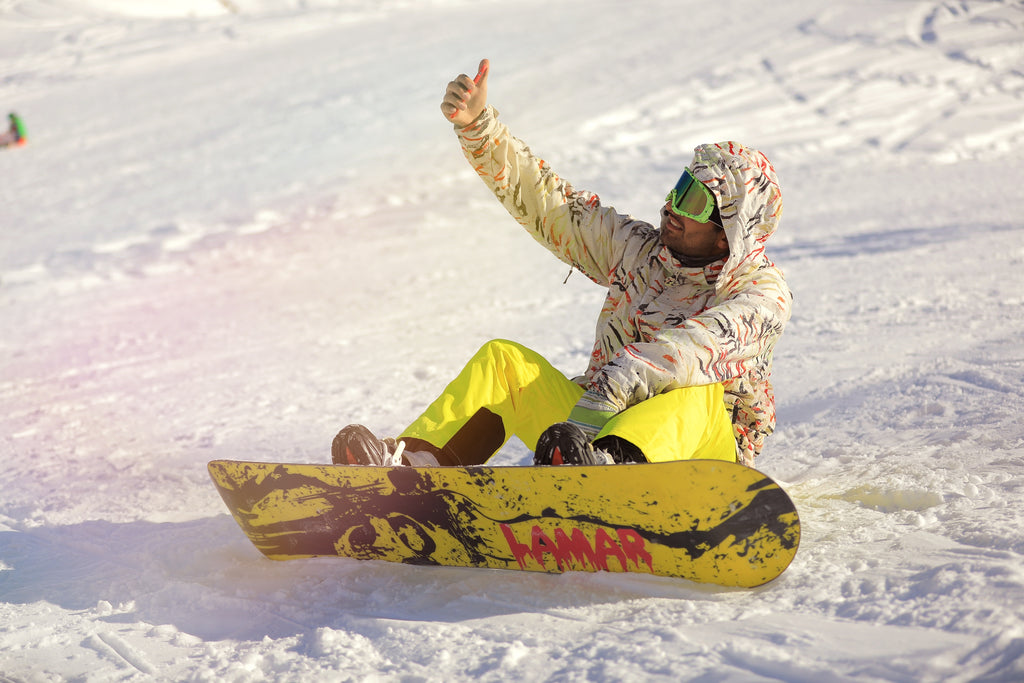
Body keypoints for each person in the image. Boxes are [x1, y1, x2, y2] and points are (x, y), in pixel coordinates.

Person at [332, 59, 791, 468]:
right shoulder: (640, 252)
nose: (671, 207)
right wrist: (478, 129)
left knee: (699, 388)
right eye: (677, 188)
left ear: (730, 228)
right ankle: (420, 466)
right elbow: (554, 206)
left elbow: (696, 348)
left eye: (691, 200)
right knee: (504, 362)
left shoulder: (760, 294)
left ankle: (615, 471)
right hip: (591, 433)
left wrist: (613, 385)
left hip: (700, 455)